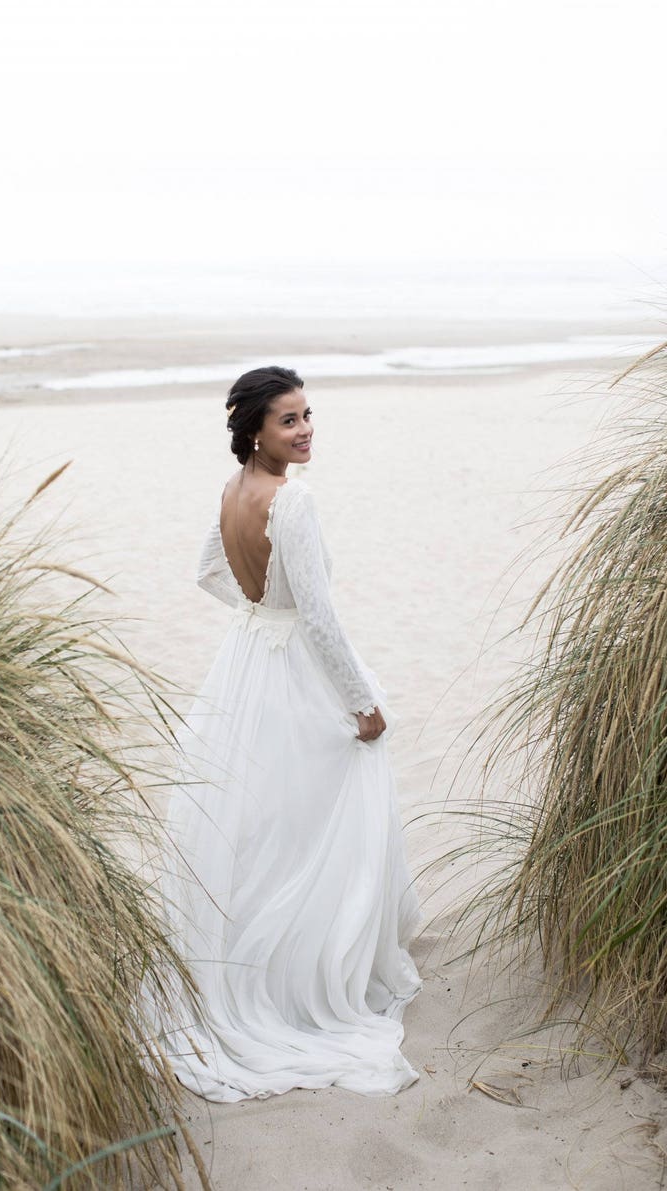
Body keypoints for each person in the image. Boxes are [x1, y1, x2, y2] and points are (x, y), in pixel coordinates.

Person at [159, 365, 421, 1102]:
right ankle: (309, 972)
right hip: (294, 662)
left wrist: (253, 607)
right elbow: (318, 613)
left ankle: (255, 961)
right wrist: (362, 701)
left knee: (258, 816)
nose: (305, 430)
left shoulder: (232, 492)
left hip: (246, 660)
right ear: (254, 430)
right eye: (288, 420)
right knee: (318, 815)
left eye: (308, 415)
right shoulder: (292, 500)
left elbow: (209, 571)